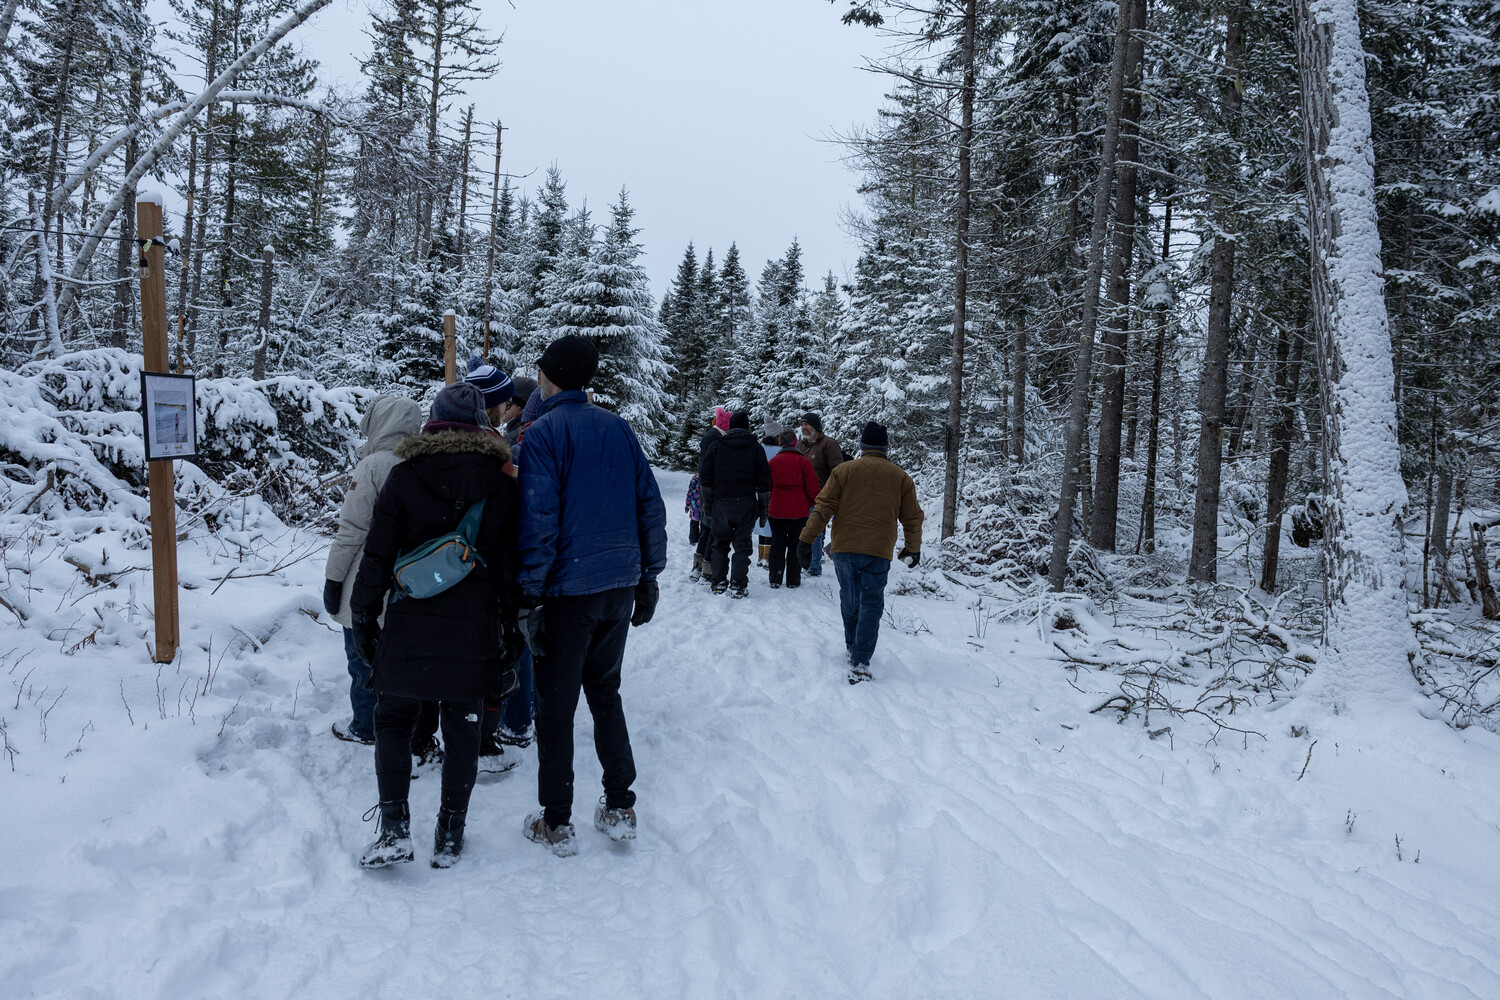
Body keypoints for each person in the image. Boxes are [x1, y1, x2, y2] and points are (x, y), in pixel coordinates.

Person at [349, 381, 523, 868]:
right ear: (482, 426)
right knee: (463, 727)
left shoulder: (404, 477)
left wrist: (364, 617)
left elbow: (378, 556)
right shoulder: (504, 485)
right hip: (474, 630)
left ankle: (394, 830)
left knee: (393, 722)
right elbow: (512, 570)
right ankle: (450, 832)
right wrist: (513, 634)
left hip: (410, 625)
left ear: (433, 422)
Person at [517, 334, 667, 856]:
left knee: (555, 707)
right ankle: (620, 805)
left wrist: (530, 594)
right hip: (618, 585)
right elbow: (649, 503)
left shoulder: (543, 434)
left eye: (540, 371)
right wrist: (648, 574)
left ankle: (557, 821)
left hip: (567, 590)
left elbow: (539, 521)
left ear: (550, 376)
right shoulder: (618, 428)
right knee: (605, 693)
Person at [324, 395, 424, 745]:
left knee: (361, 657)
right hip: (410, 580)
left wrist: (334, 579)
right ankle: (405, 728)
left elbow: (352, 530)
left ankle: (366, 726)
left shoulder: (374, 465)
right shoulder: (424, 461)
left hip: (367, 579)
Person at [799, 421, 924, 684]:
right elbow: (912, 519)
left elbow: (823, 508)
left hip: (844, 548)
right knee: (871, 604)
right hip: (878, 551)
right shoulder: (900, 477)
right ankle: (861, 660)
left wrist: (805, 539)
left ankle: (851, 645)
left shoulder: (844, 471)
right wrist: (912, 548)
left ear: (862, 446)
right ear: (885, 447)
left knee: (850, 599)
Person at [699, 410, 771, 598]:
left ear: (730, 427)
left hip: (721, 503)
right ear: (747, 427)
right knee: (742, 546)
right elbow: (765, 482)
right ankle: (738, 584)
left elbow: (705, 477)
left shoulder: (716, 446)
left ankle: (719, 582)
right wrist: (764, 512)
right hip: (746, 503)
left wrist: (707, 506)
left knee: (719, 544)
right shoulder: (756, 448)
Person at [767, 429, 820, 590]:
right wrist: (818, 506)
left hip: (777, 509)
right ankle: (793, 579)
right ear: (795, 442)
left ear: (780, 443)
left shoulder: (774, 462)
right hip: (798, 510)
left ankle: (775, 578)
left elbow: (766, 486)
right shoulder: (803, 462)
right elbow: (813, 487)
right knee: (795, 544)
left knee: (777, 543)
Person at [797, 413, 845, 577]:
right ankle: (808, 562)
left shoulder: (829, 444)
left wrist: (833, 494)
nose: (803, 428)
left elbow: (837, 471)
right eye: (802, 425)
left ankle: (814, 567)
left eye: (807, 425)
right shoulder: (801, 445)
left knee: (815, 532)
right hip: (801, 496)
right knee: (806, 531)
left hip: (821, 497)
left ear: (816, 426)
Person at [691, 408, 731, 582]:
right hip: (712, 491)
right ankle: (707, 568)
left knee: (706, 529)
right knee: (713, 529)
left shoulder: (710, 437)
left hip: (707, 489)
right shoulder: (716, 440)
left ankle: (698, 566)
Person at [756, 419, 782, 566]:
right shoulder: (779, 451)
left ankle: (761, 556)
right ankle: (768, 557)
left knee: (762, 522)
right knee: (771, 524)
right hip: (773, 490)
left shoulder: (759, 448)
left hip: (759, 490)